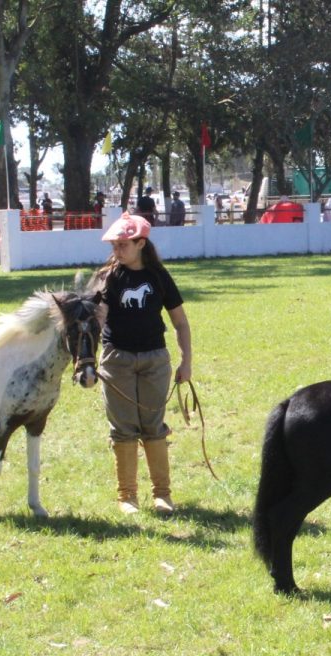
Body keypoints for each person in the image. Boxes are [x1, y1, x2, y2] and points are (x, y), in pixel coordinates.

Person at [91, 212, 193, 515]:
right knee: (123, 429)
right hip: (116, 360)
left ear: (141, 243)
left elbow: (180, 323)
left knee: (153, 426)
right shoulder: (108, 277)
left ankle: (162, 495)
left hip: (154, 360)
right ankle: (127, 497)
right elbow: (98, 319)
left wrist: (186, 362)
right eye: (114, 244)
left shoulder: (159, 277)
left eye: (123, 244)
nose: (117, 250)